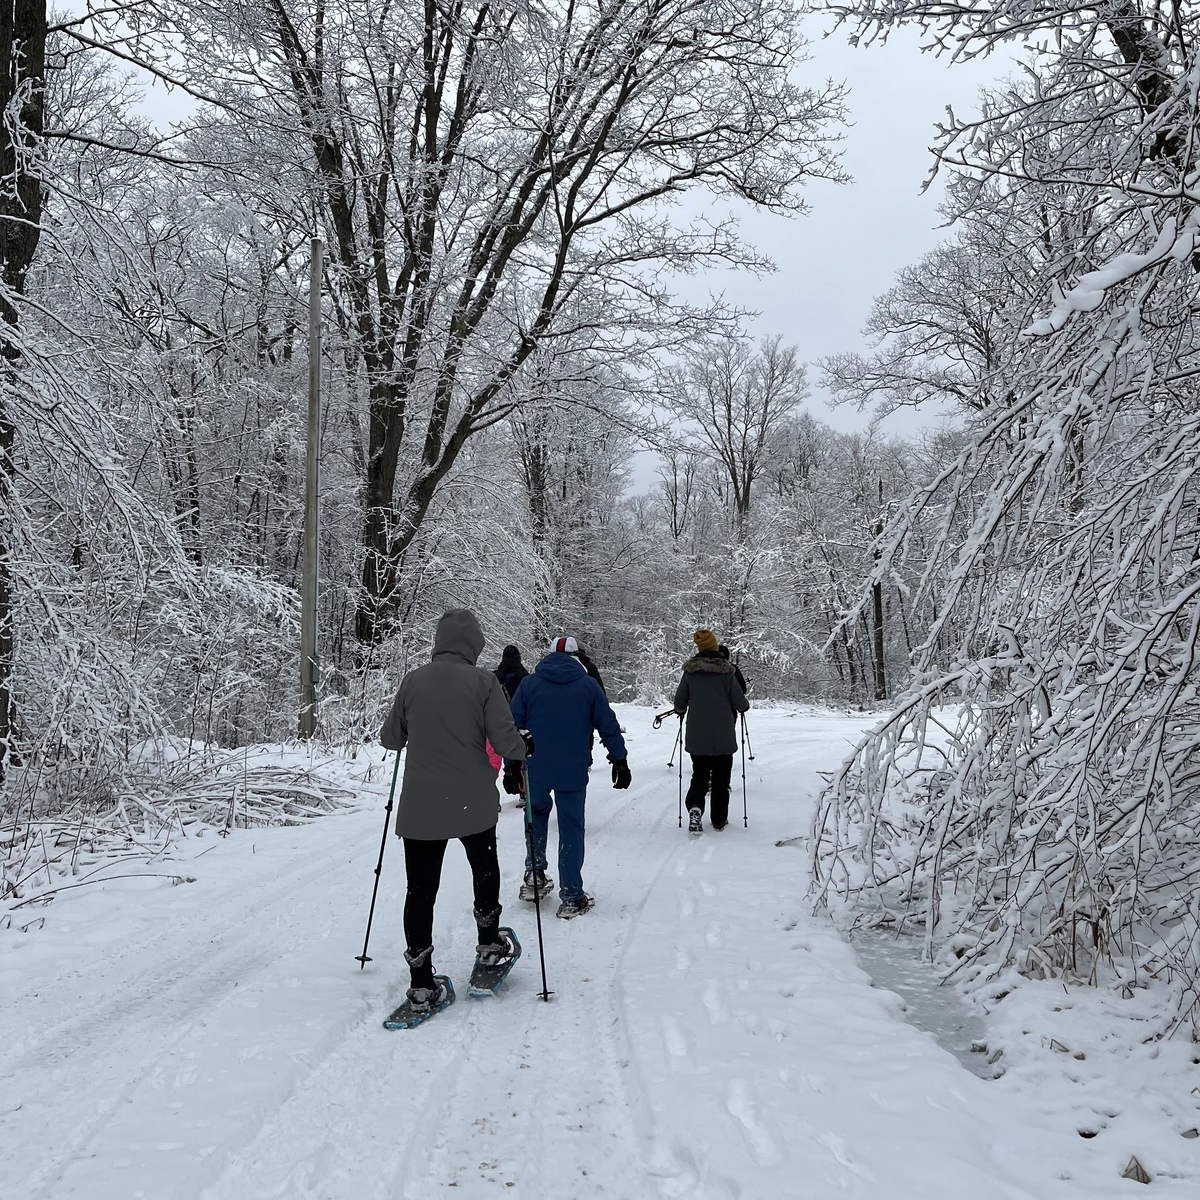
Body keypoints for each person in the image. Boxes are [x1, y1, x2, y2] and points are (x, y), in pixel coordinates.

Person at [380, 609, 531, 1013]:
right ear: (475, 644)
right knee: (483, 868)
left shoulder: (413, 680)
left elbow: (391, 738)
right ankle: (488, 943)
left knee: (420, 890)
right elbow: (503, 740)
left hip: (421, 806)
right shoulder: (484, 682)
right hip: (471, 802)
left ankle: (421, 982)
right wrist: (523, 746)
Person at [505, 635, 631, 918]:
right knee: (571, 827)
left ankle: (535, 875)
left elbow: (512, 726)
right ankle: (572, 896)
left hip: (534, 765)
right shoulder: (588, 686)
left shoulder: (529, 684)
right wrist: (619, 759)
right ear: (576, 657)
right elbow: (608, 725)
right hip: (572, 768)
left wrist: (511, 764)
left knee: (535, 817)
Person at [674, 628, 749, 834]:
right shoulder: (727, 672)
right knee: (721, 778)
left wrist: (681, 710)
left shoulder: (690, 673)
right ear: (715, 647)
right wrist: (743, 707)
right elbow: (739, 702)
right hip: (724, 734)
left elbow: (679, 702)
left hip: (697, 735)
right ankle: (718, 819)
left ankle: (695, 807)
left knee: (699, 775)